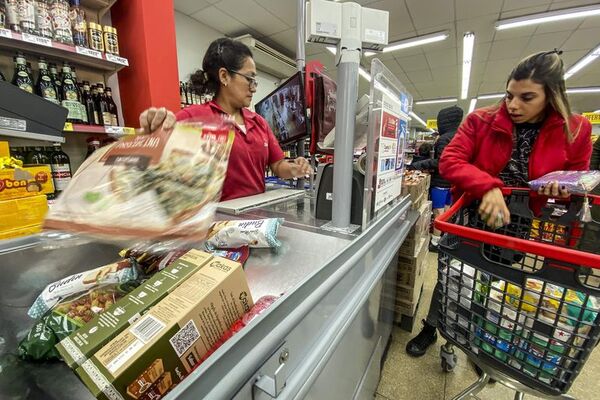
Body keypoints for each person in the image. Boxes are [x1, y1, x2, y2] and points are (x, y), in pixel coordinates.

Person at [405, 50, 592, 358]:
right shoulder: (482, 120)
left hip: (517, 222)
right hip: (470, 213)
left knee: (497, 287)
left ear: (552, 96)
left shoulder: (576, 129)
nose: (514, 105)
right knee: (452, 277)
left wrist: (562, 191)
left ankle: (479, 343)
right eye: (509, 95)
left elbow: (576, 178)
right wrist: (488, 186)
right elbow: (451, 161)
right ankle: (432, 328)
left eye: (527, 97)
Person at [138, 38, 312, 201]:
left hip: (256, 220)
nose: (253, 88)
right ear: (224, 76)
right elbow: (155, 154)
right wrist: (153, 129)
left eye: (254, 82)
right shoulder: (193, 117)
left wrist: (294, 169)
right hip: (216, 224)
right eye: (249, 79)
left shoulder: (259, 122)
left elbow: (277, 165)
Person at [408, 106, 464, 251]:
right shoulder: (460, 136)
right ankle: (444, 237)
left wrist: (417, 165)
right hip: (453, 182)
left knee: (438, 213)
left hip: (440, 182)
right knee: (447, 210)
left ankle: (435, 242)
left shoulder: (444, 138)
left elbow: (441, 163)